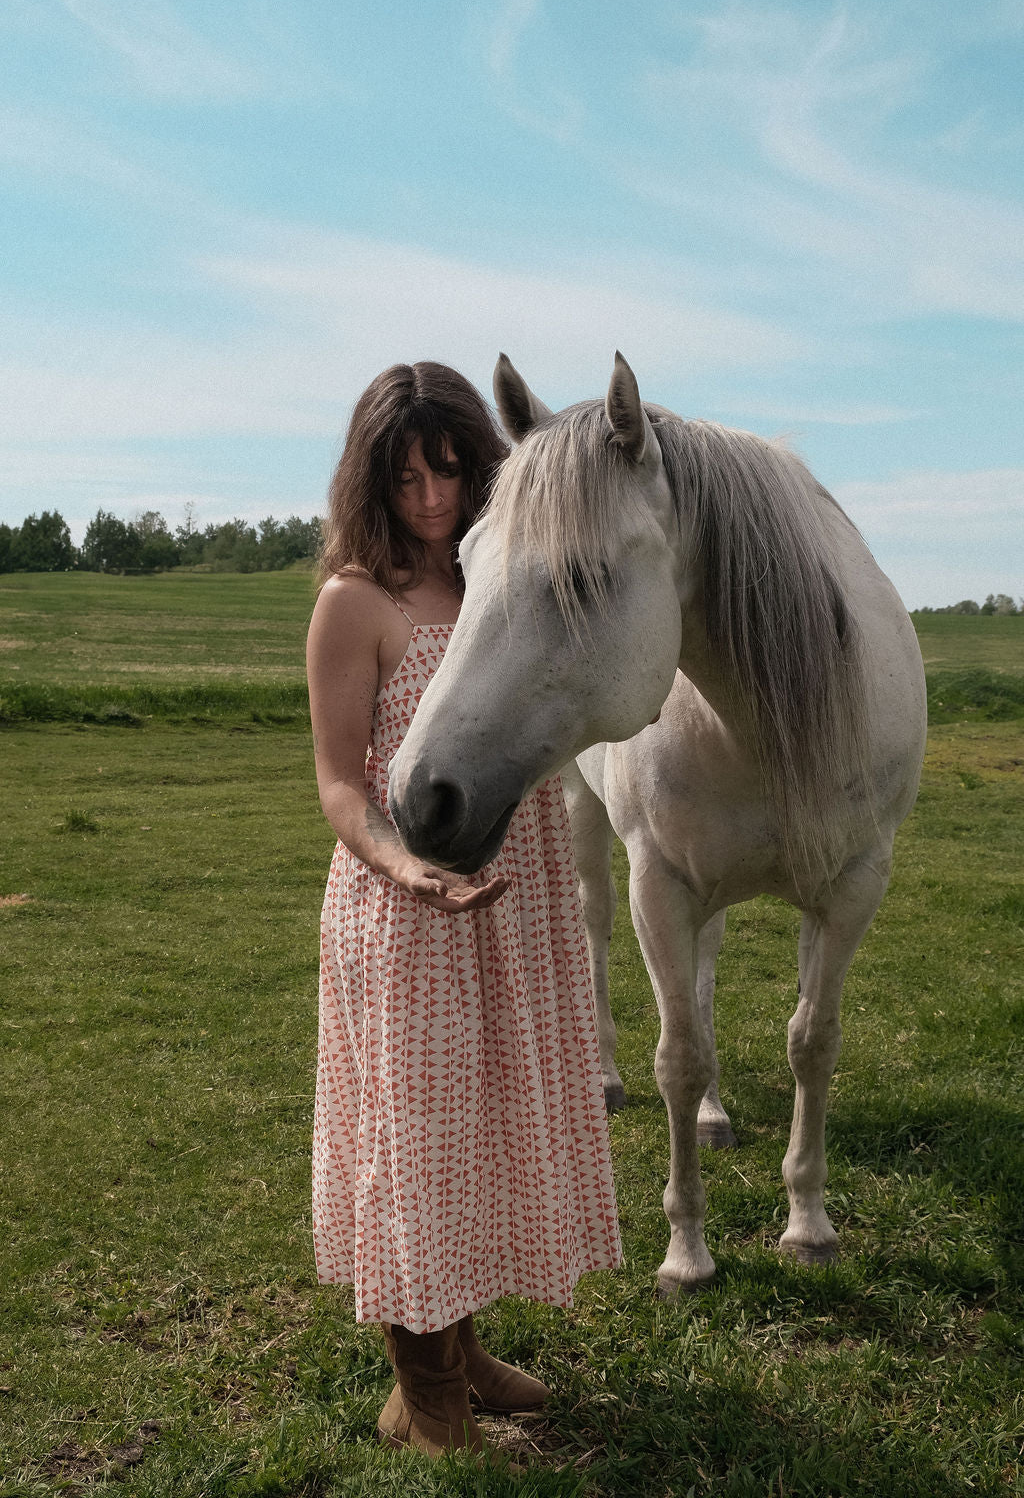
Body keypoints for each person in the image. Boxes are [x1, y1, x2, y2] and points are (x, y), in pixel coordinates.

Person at [306, 361, 621, 1460]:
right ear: (372, 481)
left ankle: (464, 1352)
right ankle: (426, 1400)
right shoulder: (357, 601)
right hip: (408, 910)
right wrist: (404, 870)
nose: (432, 498)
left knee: (476, 1138)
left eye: (448, 469)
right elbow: (342, 783)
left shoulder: (503, 580)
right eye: (406, 477)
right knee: (416, 1145)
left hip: (512, 898)